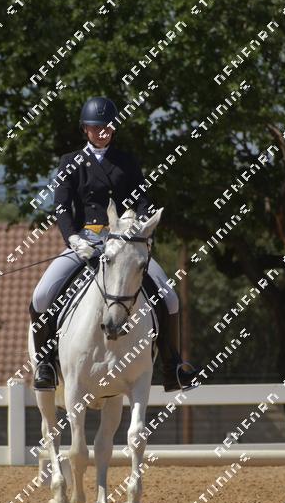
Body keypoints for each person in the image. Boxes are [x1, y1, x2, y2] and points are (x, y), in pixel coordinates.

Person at [30, 95, 200, 392]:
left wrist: (142, 224)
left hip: (123, 243)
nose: (102, 132)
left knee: (170, 297)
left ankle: (172, 366)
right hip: (84, 241)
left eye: (107, 127)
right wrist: (73, 239)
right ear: (85, 129)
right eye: (96, 127)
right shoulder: (70, 162)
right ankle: (45, 363)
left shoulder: (126, 162)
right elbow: (62, 207)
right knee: (42, 295)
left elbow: (142, 200)